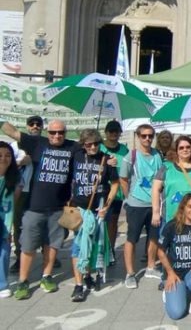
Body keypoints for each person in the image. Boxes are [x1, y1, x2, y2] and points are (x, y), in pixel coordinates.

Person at [1, 119, 77, 300]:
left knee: (52, 244)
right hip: (34, 206)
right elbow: (11, 131)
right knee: (28, 245)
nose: (57, 135)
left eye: (61, 132)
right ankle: (23, 281)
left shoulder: (73, 147)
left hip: (59, 207)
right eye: (53, 132)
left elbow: (93, 149)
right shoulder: (37, 142)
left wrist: (110, 160)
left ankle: (46, 276)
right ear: (47, 132)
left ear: (65, 133)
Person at [69, 129, 119, 302]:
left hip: (98, 209)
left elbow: (115, 184)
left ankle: (88, 275)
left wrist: (106, 206)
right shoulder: (76, 155)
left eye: (96, 144)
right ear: (83, 144)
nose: (92, 147)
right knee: (78, 245)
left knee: (94, 245)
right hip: (78, 208)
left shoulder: (106, 159)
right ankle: (78, 285)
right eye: (88, 144)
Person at [120, 124, 163, 289]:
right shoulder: (130, 156)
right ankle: (130, 273)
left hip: (154, 204)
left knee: (153, 237)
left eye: (150, 135)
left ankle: (151, 267)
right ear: (138, 137)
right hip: (136, 204)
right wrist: (129, 197)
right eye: (144, 136)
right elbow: (123, 179)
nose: (147, 138)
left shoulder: (157, 155)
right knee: (132, 238)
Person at [158, 193, 191, 320]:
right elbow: (160, 251)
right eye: (190, 206)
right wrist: (170, 273)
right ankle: (171, 290)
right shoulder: (171, 226)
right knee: (176, 313)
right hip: (175, 273)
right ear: (183, 208)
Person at [9, 115, 41, 274]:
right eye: (31, 124)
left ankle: (48, 253)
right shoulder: (14, 146)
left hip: (39, 190)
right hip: (20, 191)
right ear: (27, 126)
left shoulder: (45, 144)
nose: (35, 126)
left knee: (43, 223)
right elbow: (5, 165)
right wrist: (21, 162)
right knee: (18, 224)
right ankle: (19, 256)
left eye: (38, 124)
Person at [152, 136, 191, 225]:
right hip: (170, 217)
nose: (185, 149)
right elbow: (155, 189)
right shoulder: (167, 167)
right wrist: (156, 212)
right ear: (176, 150)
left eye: (188, 147)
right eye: (181, 148)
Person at [100, 120, 129, 263]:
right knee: (100, 222)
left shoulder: (124, 149)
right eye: (111, 131)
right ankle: (99, 251)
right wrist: (105, 162)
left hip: (117, 193)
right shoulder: (99, 147)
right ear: (106, 133)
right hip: (102, 190)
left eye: (117, 131)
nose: (114, 134)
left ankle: (110, 251)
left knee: (112, 222)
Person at [0, 142, 20, 298]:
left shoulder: (15, 178)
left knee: (4, 252)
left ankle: (2, 284)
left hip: (5, 221)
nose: (3, 158)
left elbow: (13, 203)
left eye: (8, 155)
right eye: (0, 155)